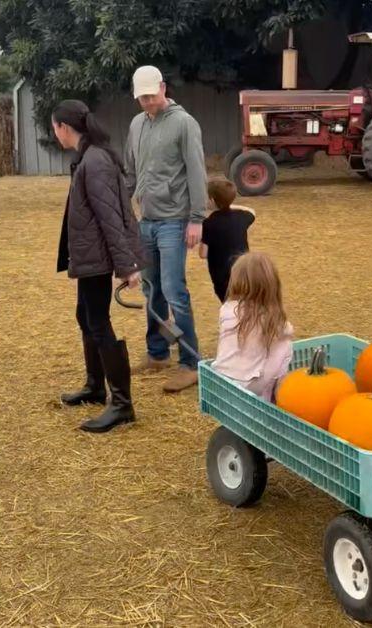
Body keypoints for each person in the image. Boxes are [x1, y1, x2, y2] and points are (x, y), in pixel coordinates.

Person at [52, 99, 145, 433]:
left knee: (98, 320)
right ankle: (95, 386)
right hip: (91, 256)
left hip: (100, 258)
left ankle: (122, 404)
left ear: (63, 127)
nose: (55, 133)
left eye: (55, 127)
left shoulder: (95, 161)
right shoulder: (88, 157)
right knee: (85, 315)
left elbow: (112, 217)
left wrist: (127, 265)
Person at [125, 65, 207, 393]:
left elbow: (196, 171)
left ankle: (191, 363)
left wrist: (197, 219)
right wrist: (121, 206)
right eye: (140, 97)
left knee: (175, 290)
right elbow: (132, 170)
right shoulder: (136, 125)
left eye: (149, 95)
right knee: (151, 290)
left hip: (174, 221)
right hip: (146, 220)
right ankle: (157, 353)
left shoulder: (184, 123)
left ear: (162, 88)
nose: (145, 102)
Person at [211, 253, 294, 401]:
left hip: (220, 383)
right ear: (272, 285)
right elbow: (286, 333)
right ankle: (275, 399)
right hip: (252, 392)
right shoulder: (275, 322)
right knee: (285, 344)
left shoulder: (227, 309)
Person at [199, 177, 256, 303]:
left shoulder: (209, 224)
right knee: (244, 304)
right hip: (243, 272)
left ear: (212, 200)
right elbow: (251, 211)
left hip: (221, 276)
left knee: (229, 304)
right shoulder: (242, 217)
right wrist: (229, 204)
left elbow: (203, 254)